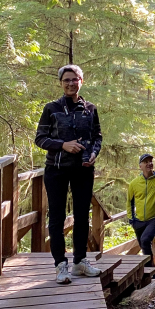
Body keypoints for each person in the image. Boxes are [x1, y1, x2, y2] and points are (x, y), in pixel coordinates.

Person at [35, 64, 103, 284]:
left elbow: (97, 136)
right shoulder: (51, 108)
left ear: (81, 81)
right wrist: (63, 145)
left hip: (83, 170)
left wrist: (93, 153)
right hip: (56, 170)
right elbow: (40, 139)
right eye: (67, 80)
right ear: (61, 83)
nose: (71, 83)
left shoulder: (90, 108)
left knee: (83, 216)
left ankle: (80, 262)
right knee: (57, 218)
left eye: (75, 79)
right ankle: (60, 265)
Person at [127, 154, 155, 267]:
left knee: (145, 240)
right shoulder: (134, 183)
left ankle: (150, 271)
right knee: (143, 246)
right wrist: (131, 219)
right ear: (140, 166)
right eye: (146, 161)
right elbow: (129, 202)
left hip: (154, 219)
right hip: (138, 220)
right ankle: (151, 269)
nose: (149, 163)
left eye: (150, 161)